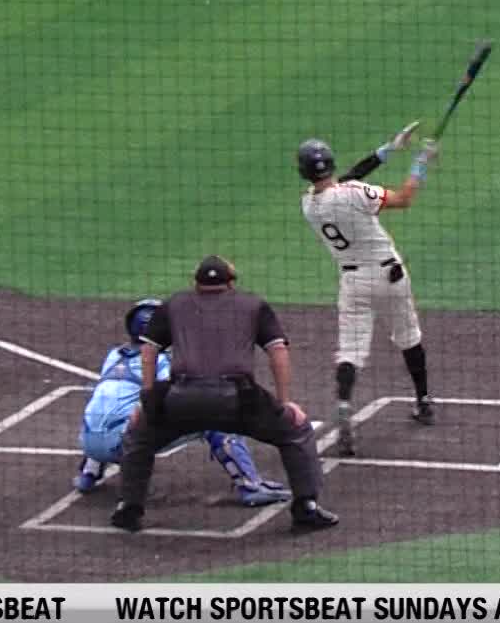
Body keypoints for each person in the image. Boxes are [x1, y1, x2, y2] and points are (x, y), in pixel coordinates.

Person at [110, 256, 337, 534]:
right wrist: (283, 402)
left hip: (181, 398)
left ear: (195, 282)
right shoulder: (253, 304)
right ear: (231, 283)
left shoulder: (175, 304)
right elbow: (278, 351)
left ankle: (129, 507)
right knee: (295, 430)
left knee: (139, 436)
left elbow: (148, 350)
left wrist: (148, 400)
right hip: (237, 400)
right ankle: (306, 508)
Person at [296, 123, 439, 456]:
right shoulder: (355, 193)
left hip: (353, 283)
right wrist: (421, 162)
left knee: (351, 350)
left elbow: (343, 182)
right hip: (389, 276)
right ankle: (423, 401)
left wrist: (388, 149)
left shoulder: (309, 205)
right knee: (408, 336)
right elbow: (403, 199)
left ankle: (344, 403)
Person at [72, 297, 292, 508]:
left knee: (108, 409)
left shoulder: (113, 355)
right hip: (125, 446)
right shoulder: (160, 361)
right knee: (215, 418)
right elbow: (176, 397)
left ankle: (89, 473)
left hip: (88, 442)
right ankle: (250, 486)